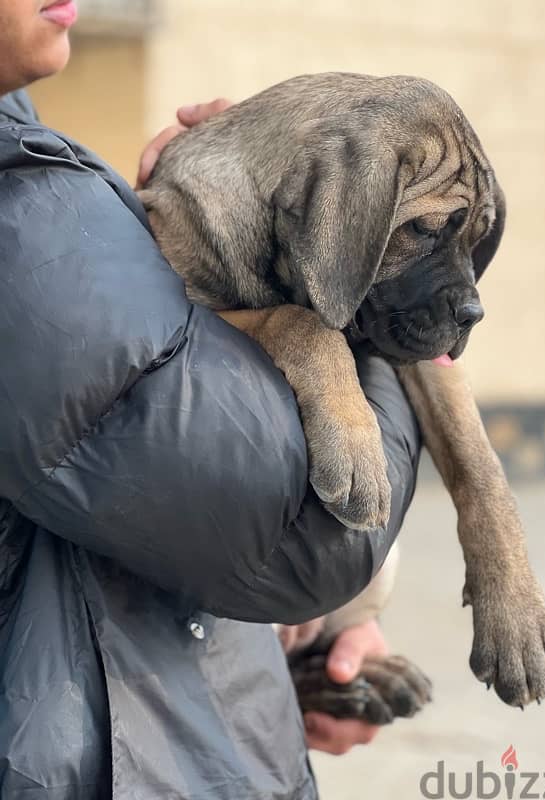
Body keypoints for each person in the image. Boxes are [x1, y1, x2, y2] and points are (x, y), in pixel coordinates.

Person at [0, 2, 420, 797]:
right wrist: (357, 274)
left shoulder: (39, 163)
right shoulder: (23, 211)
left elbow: (86, 537)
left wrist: (294, 659)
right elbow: (301, 539)